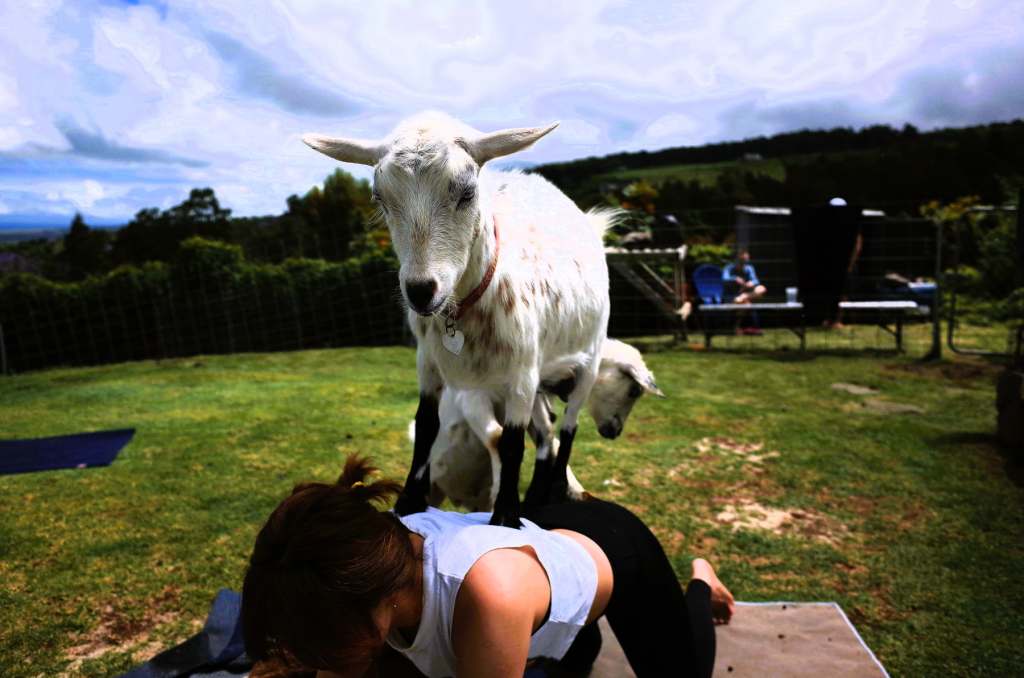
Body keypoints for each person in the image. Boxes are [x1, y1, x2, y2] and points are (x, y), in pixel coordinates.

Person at [241, 456, 735, 678]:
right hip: (529, 534)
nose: (311, 659)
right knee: (567, 653)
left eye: (319, 644)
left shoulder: (488, 593)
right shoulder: (373, 551)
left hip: (612, 550)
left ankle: (700, 579)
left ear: (374, 596)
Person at [722, 249, 766, 335]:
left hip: (744, 295)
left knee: (761, 288)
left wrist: (751, 283)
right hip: (731, 297)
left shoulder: (749, 268)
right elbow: (724, 279)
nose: (743, 264)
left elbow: (756, 281)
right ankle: (749, 328)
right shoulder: (728, 268)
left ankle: (744, 296)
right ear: (736, 260)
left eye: (745, 261)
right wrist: (735, 279)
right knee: (747, 304)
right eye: (742, 262)